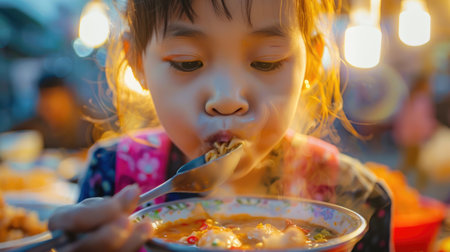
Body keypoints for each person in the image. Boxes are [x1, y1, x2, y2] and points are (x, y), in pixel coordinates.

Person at [49, 1, 392, 251]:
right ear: (138, 63)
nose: (227, 99)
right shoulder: (112, 174)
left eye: (266, 61)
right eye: (187, 62)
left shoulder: (356, 199)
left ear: (312, 63)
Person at [13, 74, 94, 149]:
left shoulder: (89, 125)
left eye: (57, 102)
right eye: (46, 105)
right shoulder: (31, 128)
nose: (52, 109)